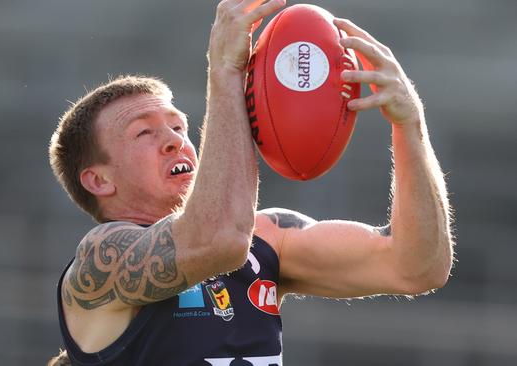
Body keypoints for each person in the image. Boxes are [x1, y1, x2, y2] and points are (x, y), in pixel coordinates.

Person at [47, 0, 453, 364]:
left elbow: (417, 267)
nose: (174, 141)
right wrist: (225, 70)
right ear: (98, 180)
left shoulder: (268, 238)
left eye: (178, 126)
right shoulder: (99, 260)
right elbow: (218, 238)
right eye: (144, 133)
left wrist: (409, 126)